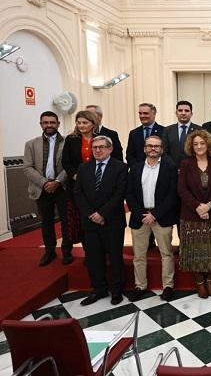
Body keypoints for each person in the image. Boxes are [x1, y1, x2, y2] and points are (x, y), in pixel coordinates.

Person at [74, 135, 128, 306]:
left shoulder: (121, 168)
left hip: (112, 221)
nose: (97, 150)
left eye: (101, 147)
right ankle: (98, 289)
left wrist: (102, 214)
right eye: (94, 147)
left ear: (110, 149)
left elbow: (120, 194)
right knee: (93, 257)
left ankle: (117, 291)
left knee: (115, 258)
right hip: (90, 222)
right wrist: (91, 214)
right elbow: (78, 193)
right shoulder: (83, 168)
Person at [125, 135, 178, 302]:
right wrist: (143, 214)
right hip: (140, 218)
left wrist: (155, 214)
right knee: (139, 255)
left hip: (161, 217)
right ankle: (140, 286)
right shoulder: (135, 169)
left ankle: (168, 286)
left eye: (156, 146)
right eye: (149, 145)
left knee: (166, 254)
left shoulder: (170, 168)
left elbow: (172, 195)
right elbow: (129, 194)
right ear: (144, 148)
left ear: (162, 149)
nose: (153, 148)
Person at [177, 130, 211, 298]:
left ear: (208, 145)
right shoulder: (186, 164)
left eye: (202, 143)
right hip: (191, 216)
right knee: (195, 251)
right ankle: (200, 283)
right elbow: (182, 190)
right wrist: (199, 207)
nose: (199, 146)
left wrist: (209, 206)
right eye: (195, 144)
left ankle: (210, 281)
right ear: (191, 147)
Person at [24, 111, 72, 266]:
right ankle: (49, 252)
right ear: (41, 124)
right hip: (41, 189)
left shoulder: (68, 142)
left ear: (58, 124)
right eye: (46, 122)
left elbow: (70, 165)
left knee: (66, 221)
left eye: (52, 122)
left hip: (63, 187)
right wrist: (45, 183)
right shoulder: (31, 144)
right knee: (46, 222)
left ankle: (66, 252)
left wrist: (57, 181)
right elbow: (28, 167)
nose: (49, 125)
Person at [62, 110, 98, 248]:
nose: (81, 125)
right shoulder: (71, 140)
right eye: (79, 122)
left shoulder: (100, 138)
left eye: (85, 122)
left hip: (97, 184)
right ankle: (87, 251)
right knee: (81, 219)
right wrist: (76, 175)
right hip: (77, 185)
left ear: (93, 123)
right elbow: (66, 162)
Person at [162, 100, 202, 168]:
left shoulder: (199, 130)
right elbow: (164, 151)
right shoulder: (168, 130)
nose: (183, 113)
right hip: (172, 169)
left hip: (193, 169)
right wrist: (173, 165)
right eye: (180, 110)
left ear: (191, 114)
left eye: (186, 111)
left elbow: (200, 151)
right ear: (176, 113)